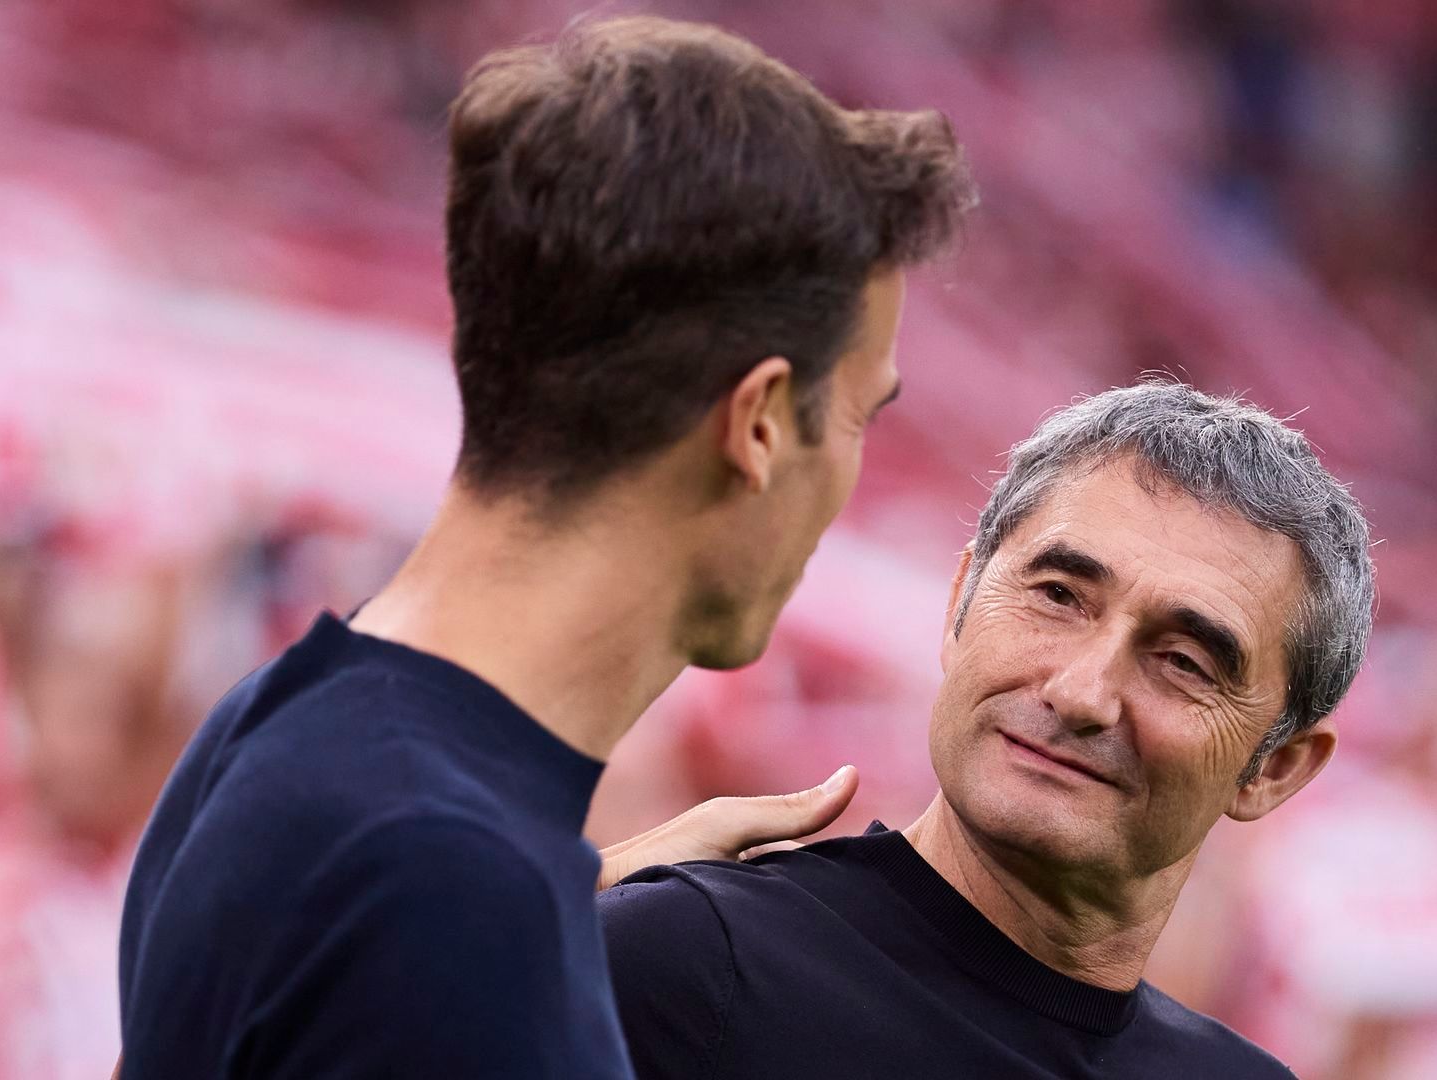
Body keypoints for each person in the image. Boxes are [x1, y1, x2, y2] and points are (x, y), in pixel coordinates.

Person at [114, 15, 973, 1079]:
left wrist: (565, 899)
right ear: (757, 424)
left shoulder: (283, 725)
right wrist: (516, 934)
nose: (849, 469)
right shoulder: (451, 903)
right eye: (856, 415)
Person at [599, 382, 1375, 1078]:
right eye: (1058, 596)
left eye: (1183, 661)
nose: (1081, 694)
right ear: (958, 604)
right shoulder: (684, 962)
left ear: (1274, 769)